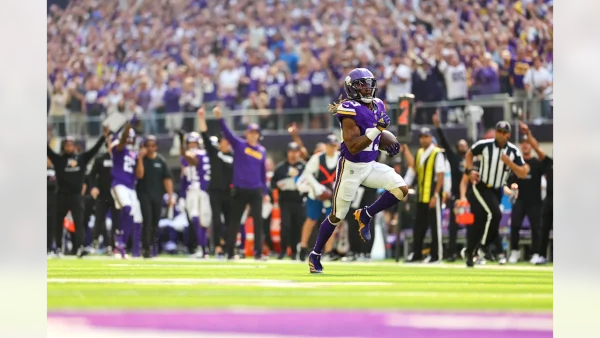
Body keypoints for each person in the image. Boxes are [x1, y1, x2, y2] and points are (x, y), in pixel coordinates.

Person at [308, 68, 408, 274]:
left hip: (370, 165)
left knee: (401, 188)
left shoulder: (378, 104)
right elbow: (353, 145)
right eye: (362, 84)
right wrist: (377, 131)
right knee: (338, 215)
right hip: (351, 167)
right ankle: (315, 254)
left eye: (369, 83)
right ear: (352, 88)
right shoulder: (348, 109)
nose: (367, 88)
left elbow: (374, 139)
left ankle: (366, 214)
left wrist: (387, 144)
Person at [461, 121, 530, 267]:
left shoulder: (513, 151)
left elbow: (523, 173)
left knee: (480, 222)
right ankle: (484, 246)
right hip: (481, 186)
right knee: (495, 214)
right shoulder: (485, 145)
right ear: (496, 132)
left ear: (508, 135)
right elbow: (469, 153)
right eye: (499, 131)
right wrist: (469, 171)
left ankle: (470, 252)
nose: (501, 134)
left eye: (504, 132)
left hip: (497, 190)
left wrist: (509, 163)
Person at [213, 105, 270, 260]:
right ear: (247, 134)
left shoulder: (262, 151)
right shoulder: (239, 145)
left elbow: (263, 174)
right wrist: (220, 118)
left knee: (258, 222)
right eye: (251, 132)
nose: (253, 135)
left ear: (258, 135)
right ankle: (229, 252)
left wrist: (265, 192)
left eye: (255, 133)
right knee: (235, 222)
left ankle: (258, 253)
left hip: (256, 190)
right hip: (240, 189)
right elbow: (227, 133)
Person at [46, 126, 108, 257]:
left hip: (76, 196)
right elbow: (47, 150)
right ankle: (57, 248)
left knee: (79, 222)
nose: (70, 146)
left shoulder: (82, 159)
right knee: (58, 222)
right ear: (63, 146)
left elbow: (94, 150)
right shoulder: (58, 159)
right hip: (61, 195)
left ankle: (80, 247)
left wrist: (103, 136)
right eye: (67, 144)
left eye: (71, 144)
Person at [403, 128, 446, 263]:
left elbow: (440, 176)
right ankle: (417, 254)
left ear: (431, 137)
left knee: (434, 227)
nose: (423, 139)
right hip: (421, 195)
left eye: (426, 137)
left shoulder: (437, 153)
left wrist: (436, 195)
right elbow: (413, 170)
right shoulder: (420, 153)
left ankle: (436, 255)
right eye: (421, 137)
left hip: (432, 195)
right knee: (418, 227)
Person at [432, 112, 469, 261]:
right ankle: (452, 253)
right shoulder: (454, 159)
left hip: (468, 198)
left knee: (469, 225)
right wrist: (438, 126)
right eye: (460, 145)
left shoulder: (472, 161)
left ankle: (471, 251)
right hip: (455, 198)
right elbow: (445, 142)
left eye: (465, 145)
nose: (463, 147)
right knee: (453, 226)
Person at [197, 107, 234, 257]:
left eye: (227, 141)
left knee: (230, 221)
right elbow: (205, 135)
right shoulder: (214, 153)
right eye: (224, 141)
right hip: (215, 191)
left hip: (229, 191)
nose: (226, 143)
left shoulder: (235, 156)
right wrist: (201, 119)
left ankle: (228, 244)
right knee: (216, 219)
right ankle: (218, 246)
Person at [297, 134, 340, 261]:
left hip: (331, 194)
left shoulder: (341, 159)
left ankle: (329, 250)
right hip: (316, 194)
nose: (331, 148)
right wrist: (317, 187)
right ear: (325, 146)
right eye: (329, 146)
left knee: (331, 221)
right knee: (311, 220)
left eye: (333, 146)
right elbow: (307, 173)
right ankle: (303, 247)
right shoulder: (318, 158)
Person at [505, 134, 545, 264]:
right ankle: (515, 251)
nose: (526, 145)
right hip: (519, 200)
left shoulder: (537, 164)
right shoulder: (516, 164)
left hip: (535, 201)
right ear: (521, 146)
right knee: (515, 226)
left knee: (536, 228)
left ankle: (535, 253)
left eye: (528, 143)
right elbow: (509, 182)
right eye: (523, 143)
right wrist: (510, 189)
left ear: (531, 146)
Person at [109, 119, 144, 258]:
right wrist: (128, 125)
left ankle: (123, 245)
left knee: (136, 218)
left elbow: (140, 175)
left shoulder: (134, 154)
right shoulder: (119, 148)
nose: (129, 140)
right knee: (127, 208)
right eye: (128, 137)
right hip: (119, 184)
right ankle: (119, 236)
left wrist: (140, 158)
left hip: (131, 187)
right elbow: (121, 142)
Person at [519, 122, 553, 264]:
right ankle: (541, 255)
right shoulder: (550, 163)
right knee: (543, 228)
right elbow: (537, 149)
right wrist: (528, 134)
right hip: (550, 199)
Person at [136, 135, 174, 258]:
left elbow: (167, 179)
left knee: (155, 222)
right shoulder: (141, 160)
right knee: (147, 220)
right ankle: (145, 248)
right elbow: (139, 175)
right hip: (144, 194)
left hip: (157, 195)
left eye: (152, 146)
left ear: (156, 147)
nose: (150, 148)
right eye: (148, 146)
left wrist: (170, 195)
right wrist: (140, 158)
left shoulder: (160, 160)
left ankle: (153, 246)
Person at [178, 131, 211, 258]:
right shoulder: (185, 159)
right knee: (195, 219)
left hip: (201, 190)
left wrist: (182, 143)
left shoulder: (201, 155)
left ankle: (203, 248)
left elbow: (190, 158)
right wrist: (181, 196)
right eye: (189, 143)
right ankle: (201, 248)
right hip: (191, 190)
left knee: (201, 221)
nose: (192, 146)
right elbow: (184, 178)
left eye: (194, 143)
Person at [271, 142, 306, 260]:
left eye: (296, 152)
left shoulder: (303, 166)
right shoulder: (281, 168)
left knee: (298, 226)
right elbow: (272, 183)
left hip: (299, 200)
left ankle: (295, 251)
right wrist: (279, 184)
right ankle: (283, 250)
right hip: (285, 200)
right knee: (286, 225)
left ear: (299, 153)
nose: (293, 155)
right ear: (287, 153)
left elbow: (309, 181)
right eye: (291, 152)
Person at [88, 138, 119, 254]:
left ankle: (114, 245)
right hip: (102, 194)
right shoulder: (100, 158)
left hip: (117, 195)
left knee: (117, 221)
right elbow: (91, 175)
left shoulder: (120, 159)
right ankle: (95, 243)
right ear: (108, 145)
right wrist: (93, 187)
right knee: (99, 220)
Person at [46, 156, 58, 258]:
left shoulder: (54, 170)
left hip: (52, 202)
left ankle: (51, 247)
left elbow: (56, 184)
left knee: (51, 226)